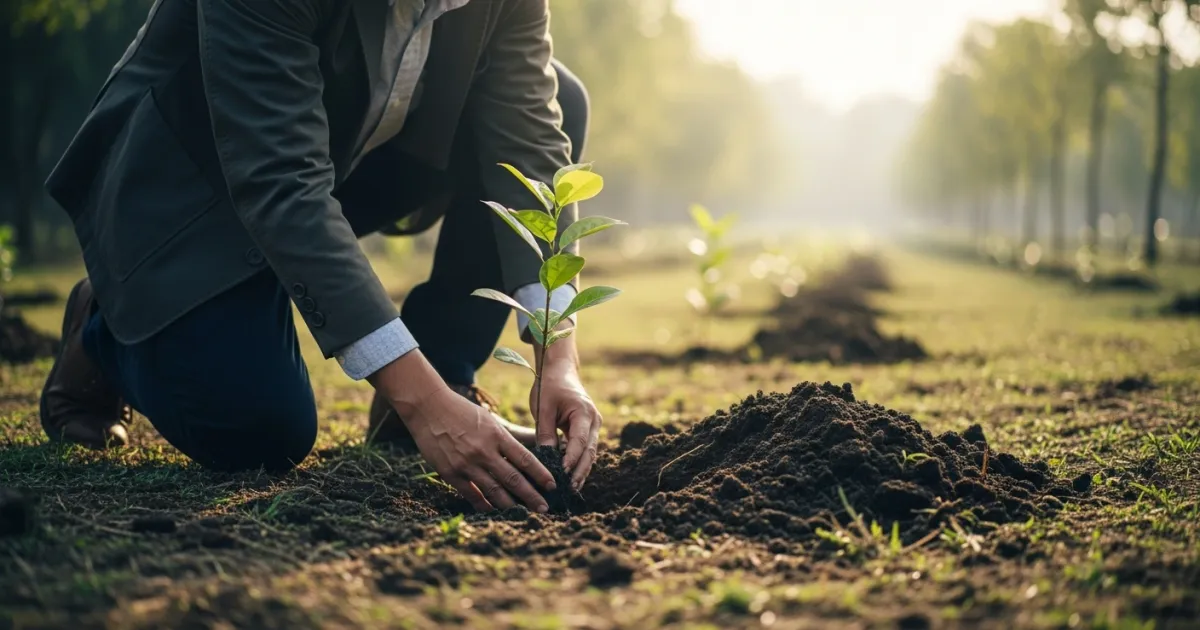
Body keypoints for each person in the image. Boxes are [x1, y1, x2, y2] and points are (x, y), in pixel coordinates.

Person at [38, 0, 603, 515]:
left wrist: (559, 357)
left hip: (338, 154)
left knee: (560, 97)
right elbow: (281, 180)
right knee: (258, 433)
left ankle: (443, 375)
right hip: (188, 186)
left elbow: (529, 141)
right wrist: (421, 403)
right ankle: (103, 322)